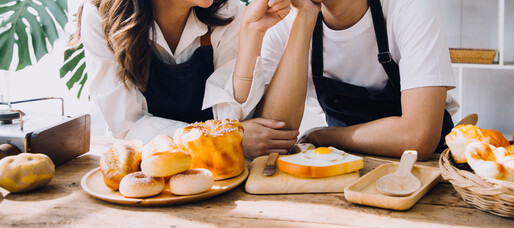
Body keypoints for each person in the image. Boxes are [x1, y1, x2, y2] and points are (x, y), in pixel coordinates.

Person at [77, 0, 299, 158]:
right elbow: (128, 126)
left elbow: (230, 118)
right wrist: (219, 141)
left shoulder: (230, 13)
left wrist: (252, 32)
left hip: (215, 170)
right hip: (143, 164)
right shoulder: (100, 16)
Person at [257, 0, 458, 159]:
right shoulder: (284, 23)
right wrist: (304, 17)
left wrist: (323, 136)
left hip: (426, 174)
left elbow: (418, 137)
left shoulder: (409, 5)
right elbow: (272, 138)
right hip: (342, 166)